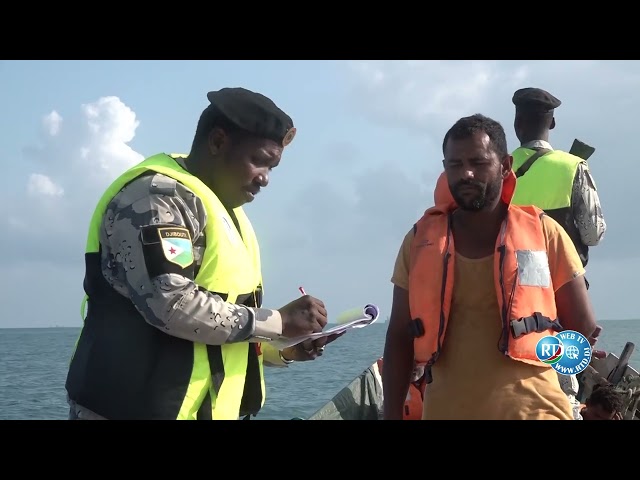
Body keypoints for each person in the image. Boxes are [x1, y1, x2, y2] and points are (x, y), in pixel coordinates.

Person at [65, 87, 344, 420]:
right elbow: (172, 304)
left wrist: (284, 346)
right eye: (259, 161)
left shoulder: (224, 210)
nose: (265, 179)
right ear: (217, 142)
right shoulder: (155, 198)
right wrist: (278, 322)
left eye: (272, 168)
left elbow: (214, 336)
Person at [382, 113, 597, 420]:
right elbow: (399, 339)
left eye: (478, 162)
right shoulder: (419, 242)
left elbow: (583, 327)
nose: (466, 173)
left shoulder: (545, 233)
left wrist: (536, 353)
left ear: (505, 166)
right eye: (454, 165)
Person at [510, 87, 606, 272]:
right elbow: (593, 235)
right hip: (563, 284)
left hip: (514, 281)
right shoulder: (573, 166)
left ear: (517, 122)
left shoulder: (499, 170)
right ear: (552, 123)